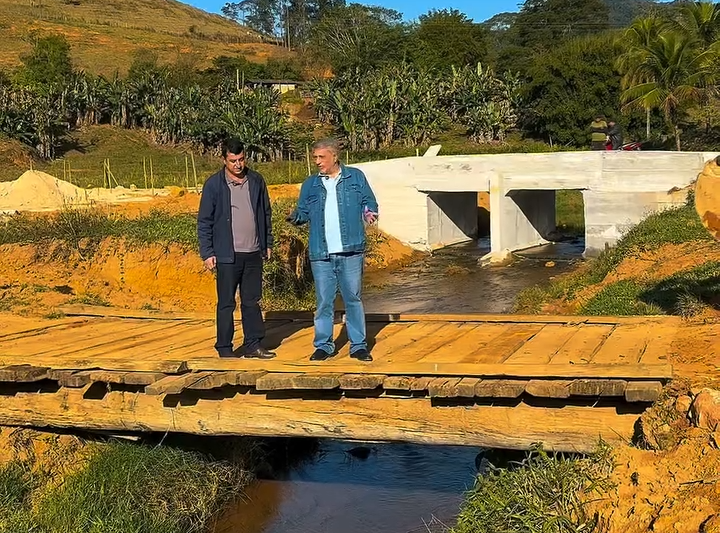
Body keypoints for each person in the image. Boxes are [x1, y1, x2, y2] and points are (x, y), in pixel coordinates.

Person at [287, 139, 379, 362]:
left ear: (335, 156)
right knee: (324, 302)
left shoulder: (355, 177)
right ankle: (323, 346)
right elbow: (303, 212)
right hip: (321, 253)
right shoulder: (310, 184)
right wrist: (294, 216)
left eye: (321, 157)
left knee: (353, 299)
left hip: (351, 250)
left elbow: (369, 201)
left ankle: (358, 346)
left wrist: (369, 213)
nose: (317, 162)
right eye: (315, 157)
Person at [197, 138, 276, 359]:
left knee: (251, 301)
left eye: (241, 159)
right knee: (226, 303)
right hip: (227, 255)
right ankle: (224, 348)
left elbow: (265, 213)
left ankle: (253, 344)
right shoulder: (214, 185)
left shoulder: (256, 180)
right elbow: (204, 221)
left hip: (253, 253)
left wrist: (267, 243)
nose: (238, 164)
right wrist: (208, 252)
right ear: (224, 160)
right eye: (233, 161)